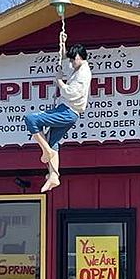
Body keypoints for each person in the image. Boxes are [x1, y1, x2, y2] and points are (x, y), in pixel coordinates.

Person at [24, 44, 91, 192]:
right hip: (69, 112)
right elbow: (66, 64)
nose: (72, 63)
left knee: (31, 119)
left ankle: (46, 151)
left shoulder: (83, 74)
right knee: (52, 140)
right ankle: (54, 175)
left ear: (79, 57)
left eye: (73, 60)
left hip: (68, 111)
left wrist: (59, 82)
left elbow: (72, 93)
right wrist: (63, 46)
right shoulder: (78, 69)